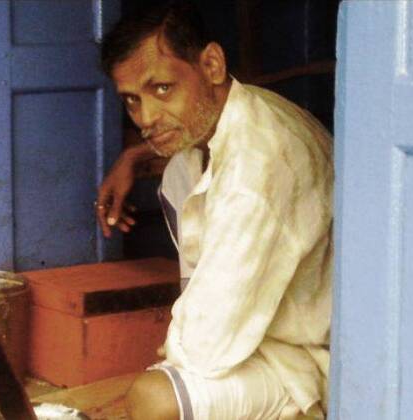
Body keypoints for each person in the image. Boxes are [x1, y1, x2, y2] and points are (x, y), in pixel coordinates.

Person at [94, 2, 334, 419]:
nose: (145, 117)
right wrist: (133, 156)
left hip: (303, 360)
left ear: (211, 65)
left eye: (162, 89)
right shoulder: (230, 117)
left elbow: (205, 348)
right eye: (132, 100)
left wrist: (176, 353)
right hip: (253, 338)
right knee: (177, 172)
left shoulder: (256, 168)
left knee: (155, 399)